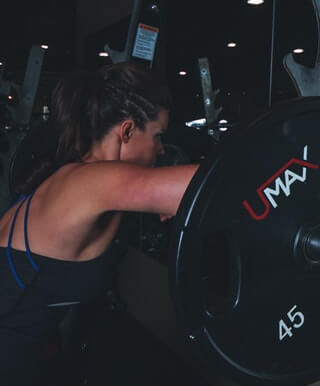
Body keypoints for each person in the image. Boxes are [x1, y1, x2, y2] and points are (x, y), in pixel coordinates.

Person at [0, 62, 199, 384]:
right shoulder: (93, 181)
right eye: (158, 136)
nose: (161, 149)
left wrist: (165, 199)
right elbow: (214, 184)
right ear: (127, 131)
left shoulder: (75, 178)